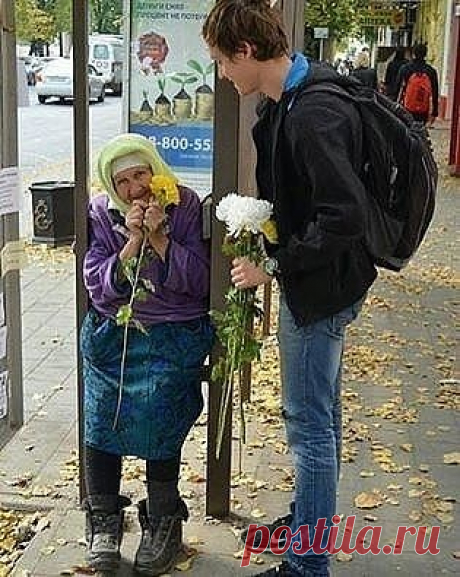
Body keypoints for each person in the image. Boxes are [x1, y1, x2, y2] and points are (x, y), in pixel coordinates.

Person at [203, 2, 377, 577]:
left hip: (320, 290)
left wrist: (272, 267)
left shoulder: (313, 112)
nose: (224, 74)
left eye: (224, 62)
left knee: (309, 425)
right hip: (326, 283)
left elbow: (343, 215)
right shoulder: (289, 100)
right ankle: (309, 521)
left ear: (247, 52)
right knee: (319, 417)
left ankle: (308, 562)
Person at [80, 133, 213, 575]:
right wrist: (132, 242)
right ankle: (103, 519)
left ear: (156, 170)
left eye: (142, 174)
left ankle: (162, 520)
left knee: (162, 413)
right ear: (111, 186)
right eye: (124, 181)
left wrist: (160, 238)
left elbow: (200, 281)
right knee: (103, 414)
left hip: (172, 330)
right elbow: (97, 285)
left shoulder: (186, 205)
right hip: (117, 332)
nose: (136, 188)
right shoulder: (101, 213)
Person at [396, 42, 439, 124]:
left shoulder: (405, 68)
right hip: (423, 109)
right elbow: (435, 92)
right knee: (421, 130)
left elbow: (397, 88)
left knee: (407, 129)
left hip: (407, 107)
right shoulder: (431, 71)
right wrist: (434, 112)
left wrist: (394, 105)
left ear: (413, 54)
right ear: (425, 54)